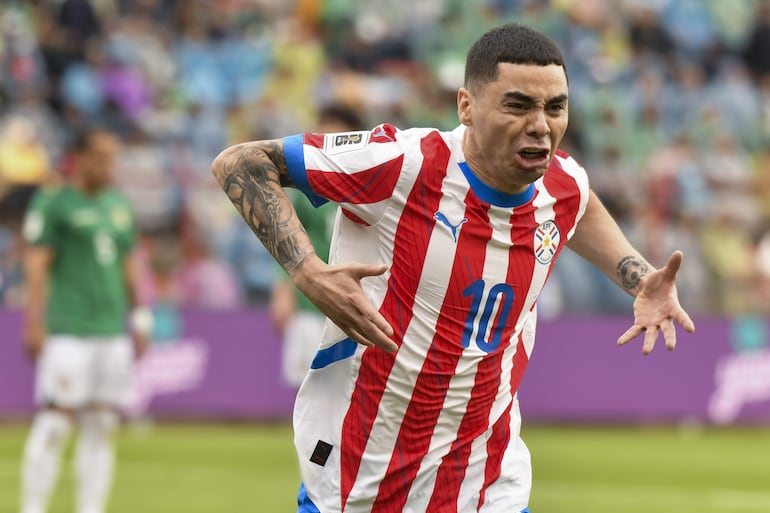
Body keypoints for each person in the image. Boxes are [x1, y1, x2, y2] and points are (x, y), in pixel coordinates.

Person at [211, 23, 695, 513]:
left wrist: (636, 275)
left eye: (555, 107)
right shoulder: (403, 163)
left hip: (489, 482)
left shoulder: (562, 182)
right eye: (517, 105)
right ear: (466, 106)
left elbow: (580, 204)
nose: (541, 125)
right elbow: (241, 163)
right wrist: (308, 272)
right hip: (361, 478)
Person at [19, 127, 150, 513]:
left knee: (101, 425)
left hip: (111, 331)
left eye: (114, 158)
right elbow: (36, 265)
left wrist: (139, 318)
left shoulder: (118, 205)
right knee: (57, 421)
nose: (110, 166)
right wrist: (34, 321)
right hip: (69, 329)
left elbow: (130, 268)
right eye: (103, 157)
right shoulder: (54, 203)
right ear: (79, 157)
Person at [270, 103, 365, 388]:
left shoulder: (369, 189)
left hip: (357, 304)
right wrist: (282, 292)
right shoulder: (306, 192)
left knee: (350, 388)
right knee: (307, 385)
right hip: (311, 303)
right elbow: (287, 243)